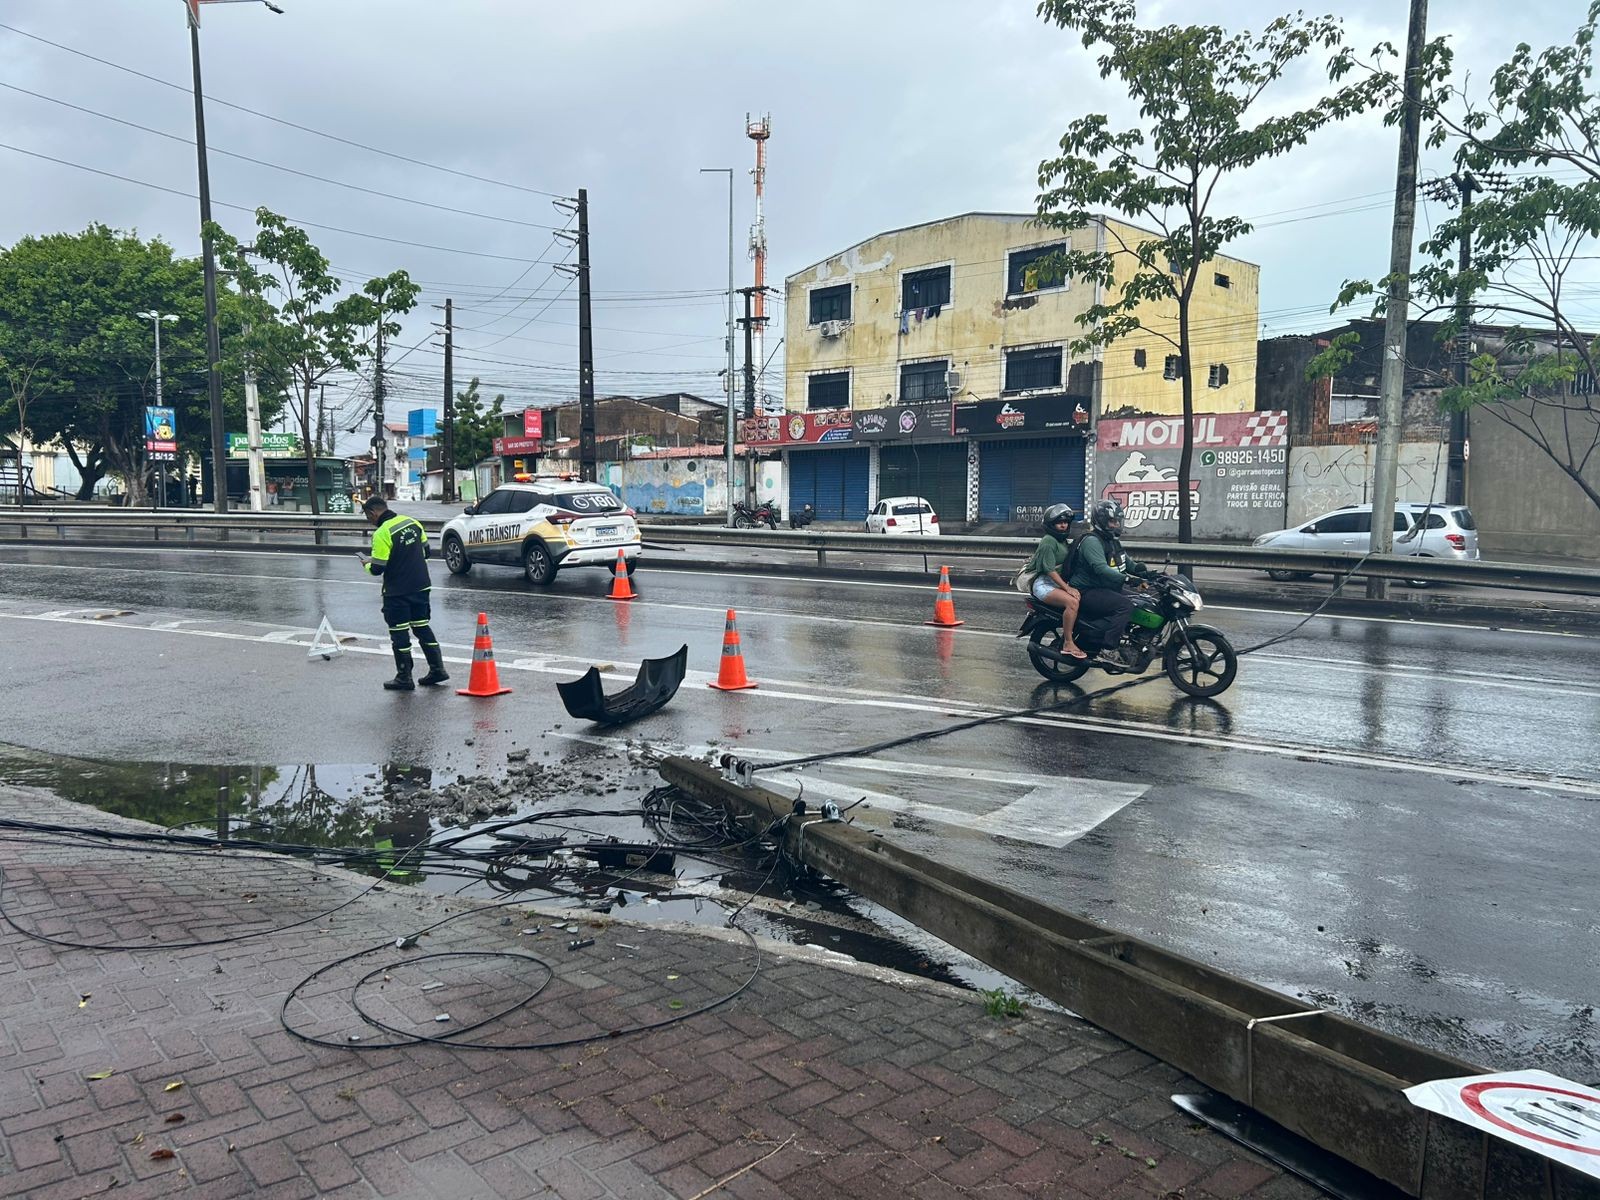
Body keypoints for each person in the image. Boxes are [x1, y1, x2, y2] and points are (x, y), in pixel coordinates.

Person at [359, 495, 449, 692]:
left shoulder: (382, 533)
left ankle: (404, 677)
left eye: (368, 517)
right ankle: (437, 669)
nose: (369, 521)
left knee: (399, 633)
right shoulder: (412, 523)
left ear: (373, 513)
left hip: (397, 592)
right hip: (421, 586)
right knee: (421, 627)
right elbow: (426, 552)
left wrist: (366, 564)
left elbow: (377, 569)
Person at [1068, 498, 1152, 666]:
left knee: (1142, 601)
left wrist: (1146, 572)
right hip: (1087, 590)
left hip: (1105, 587)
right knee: (1125, 606)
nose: (1116, 525)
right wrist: (1127, 578)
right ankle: (1108, 650)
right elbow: (1101, 569)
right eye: (1112, 521)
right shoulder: (1092, 541)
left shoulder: (1112, 541)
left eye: (1117, 521)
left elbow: (1127, 564)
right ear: (1101, 521)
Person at [1023, 503, 1087, 659]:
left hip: (1056, 583)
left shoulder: (1062, 540)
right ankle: (1068, 642)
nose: (1063, 525)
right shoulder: (1048, 541)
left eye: (1065, 522)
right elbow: (1049, 570)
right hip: (1044, 585)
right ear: (1051, 525)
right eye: (1059, 523)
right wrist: (1067, 588)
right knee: (1072, 603)